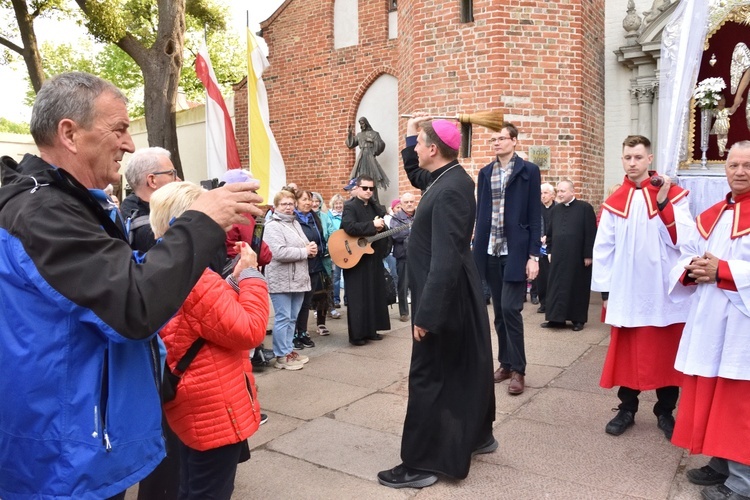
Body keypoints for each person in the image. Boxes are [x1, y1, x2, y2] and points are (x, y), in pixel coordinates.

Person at [0, 72, 263, 499]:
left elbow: (108, 282)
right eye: (119, 129)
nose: (129, 144)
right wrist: (200, 220)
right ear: (69, 133)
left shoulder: (61, 204)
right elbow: (133, 305)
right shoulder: (43, 212)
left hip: (78, 441)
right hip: (63, 457)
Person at [377, 114, 496, 489]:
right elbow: (416, 175)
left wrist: (426, 316)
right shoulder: (447, 178)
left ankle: (422, 464)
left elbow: (445, 260)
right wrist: (412, 131)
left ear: (433, 149)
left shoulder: (450, 190)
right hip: (453, 294)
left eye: (418, 143)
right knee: (465, 370)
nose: (415, 149)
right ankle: (477, 436)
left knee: (429, 378)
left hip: (445, 299)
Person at [150, 182, 269, 500]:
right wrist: (251, 276)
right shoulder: (194, 274)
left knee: (190, 485)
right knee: (208, 491)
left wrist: (232, 279)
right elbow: (250, 330)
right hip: (213, 406)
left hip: (194, 399)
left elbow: (208, 317)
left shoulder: (167, 262)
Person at [592, 135, 692, 439]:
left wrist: (662, 202)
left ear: (649, 159)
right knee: (628, 352)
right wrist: (607, 294)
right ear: (622, 160)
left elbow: (685, 240)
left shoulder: (672, 194)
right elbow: (604, 249)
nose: (632, 163)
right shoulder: (614, 202)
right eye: (627, 158)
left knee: (665, 352)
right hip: (629, 290)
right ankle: (626, 409)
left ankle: (665, 412)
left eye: (638, 157)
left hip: (663, 291)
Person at [667, 141, 750, 500]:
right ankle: (721, 461)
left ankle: (742, 483)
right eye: (733, 165)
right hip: (710, 319)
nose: (740, 172)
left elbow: (724, 267)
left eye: (747, 165)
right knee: (713, 391)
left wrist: (723, 270)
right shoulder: (714, 214)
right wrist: (692, 270)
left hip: (741, 324)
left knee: (737, 401)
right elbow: (686, 255)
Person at [473, 122, 541, 395]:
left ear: (514, 141)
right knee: (499, 313)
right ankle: (505, 364)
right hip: (490, 250)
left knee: (512, 310)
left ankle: (518, 371)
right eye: (493, 139)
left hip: (515, 251)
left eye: (501, 138)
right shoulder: (485, 173)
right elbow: (482, 213)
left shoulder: (529, 171)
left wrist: (534, 255)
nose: (496, 143)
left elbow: (535, 214)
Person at [264, 189, 314, 370]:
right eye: (283, 204)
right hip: (281, 279)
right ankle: (281, 356)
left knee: (293, 317)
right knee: (283, 317)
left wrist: (310, 247)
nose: (288, 207)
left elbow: (302, 244)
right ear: (276, 206)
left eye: (290, 204)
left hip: (298, 278)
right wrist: (304, 251)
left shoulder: (295, 223)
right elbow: (278, 252)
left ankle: (288, 350)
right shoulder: (272, 226)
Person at [340, 175, 391, 345]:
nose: (369, 192)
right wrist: (372, 225)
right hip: (355, 256)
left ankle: (371, 330)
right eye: (365, 188)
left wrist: (380, 223)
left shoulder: (374, 207)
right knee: (358, 296)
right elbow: (349, 227)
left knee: (373, 293)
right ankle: (357, 335)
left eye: (371, 189)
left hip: (372, 255)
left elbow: (382, 220)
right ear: (358, 188)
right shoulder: (350, 206)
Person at [542, 180, 597, 331]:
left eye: (563, 191)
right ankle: (555, 318)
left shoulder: (585, 208)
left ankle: (578, 319)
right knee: (556, 286)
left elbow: (591, 233)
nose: (560, 194)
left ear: (572, 192)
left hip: (577, 256)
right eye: (558, 191)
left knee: (577, 286)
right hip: (558, 256)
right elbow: (550, 233)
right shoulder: (555, 210)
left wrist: (588, 254)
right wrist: (550, 251)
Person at [121, 146, 181, 252]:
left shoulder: (130, 213)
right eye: (172, 174)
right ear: (152, 180)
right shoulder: (144, 229)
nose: (178, 180)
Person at [294, 189, 331, 340]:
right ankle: (296, 331)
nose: (308, 202)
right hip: (299, 265)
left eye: (309, 199)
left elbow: (320, 238)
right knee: (298, 301)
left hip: (315, 265)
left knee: (308, 300)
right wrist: (305, 250)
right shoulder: (293, 219)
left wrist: (320, 249)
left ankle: (302, 332)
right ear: (296, 202)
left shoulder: (313, 217)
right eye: (304, 199)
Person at [221, 169, 273, 267]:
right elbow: (262, 255)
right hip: (240, 271)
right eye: (250, 189)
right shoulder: (242, 214)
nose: (253, 193)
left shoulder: (217, 209)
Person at [346, 117, 389, 201]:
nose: (362, 125)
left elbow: (381, 144)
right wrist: (350, 133)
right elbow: (351, 144)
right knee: (362, 178)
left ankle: (374, 199)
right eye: (360, 124)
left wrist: (372, 141)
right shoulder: (359, 135)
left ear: (366, 123)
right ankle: (362, 198)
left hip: (370, 159)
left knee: (372, 178)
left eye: (363, 123)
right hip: (362, 159)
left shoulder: (375, 134)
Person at [390, 192, 416, 322]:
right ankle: (404, 312)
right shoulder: (396, 218)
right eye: (406, 202)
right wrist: (413, 232)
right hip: (403, 256)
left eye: (411, 201)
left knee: (419, 284)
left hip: (419, 256)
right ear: (401, 204)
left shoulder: (420, 215)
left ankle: (419, 311)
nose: (409, 204)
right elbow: (396, 235)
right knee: (403, 286)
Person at [534, 182, 557, 313]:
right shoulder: (537, 208)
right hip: (540, 246)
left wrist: (548, 237)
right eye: (541, 193)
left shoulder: (557, 208)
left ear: (552, 195)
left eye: (546, 193)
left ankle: (552, 302)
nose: (543, 196)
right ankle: (543, 303)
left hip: (553, 245)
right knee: (541, 276)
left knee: (552, 275)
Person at [328, 193, 346, 309]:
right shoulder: (329, 216)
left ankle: (348, 299)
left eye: (340, 203)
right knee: (336, 277)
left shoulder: (346, 215)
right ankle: (335, 299)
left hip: (347, 248)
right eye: (336, 203)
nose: (338, 206)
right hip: (336, 249)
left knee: (348, 276)